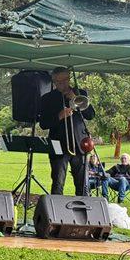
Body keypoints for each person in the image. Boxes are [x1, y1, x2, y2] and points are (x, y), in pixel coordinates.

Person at [40, 67, 95, 196]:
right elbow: (43, 124)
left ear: (69, 78)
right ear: (53, 81)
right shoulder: (47, 98)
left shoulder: (80, 93)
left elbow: (91, 115)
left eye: (65, 80)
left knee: (82, 184)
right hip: (58, 145)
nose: (63, 84)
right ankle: (55, 214)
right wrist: (59, 116)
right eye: (59, 82)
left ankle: (83, 213)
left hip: (79, 144)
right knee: (58, 184)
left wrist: (76, 98)